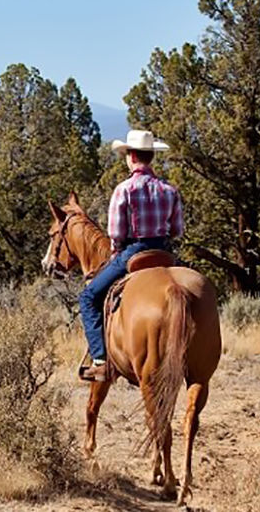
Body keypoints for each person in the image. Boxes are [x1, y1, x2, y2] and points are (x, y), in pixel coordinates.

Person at [80, 130, 184, 382]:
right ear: (150, 157)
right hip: (164, 252)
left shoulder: (124, 189)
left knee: (88, 297)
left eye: (127, 154)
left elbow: (115, 233)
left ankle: (101, 361)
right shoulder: (169, 190)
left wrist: (118, 249)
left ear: (132, 156)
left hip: (134, 251)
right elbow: (178, 231)